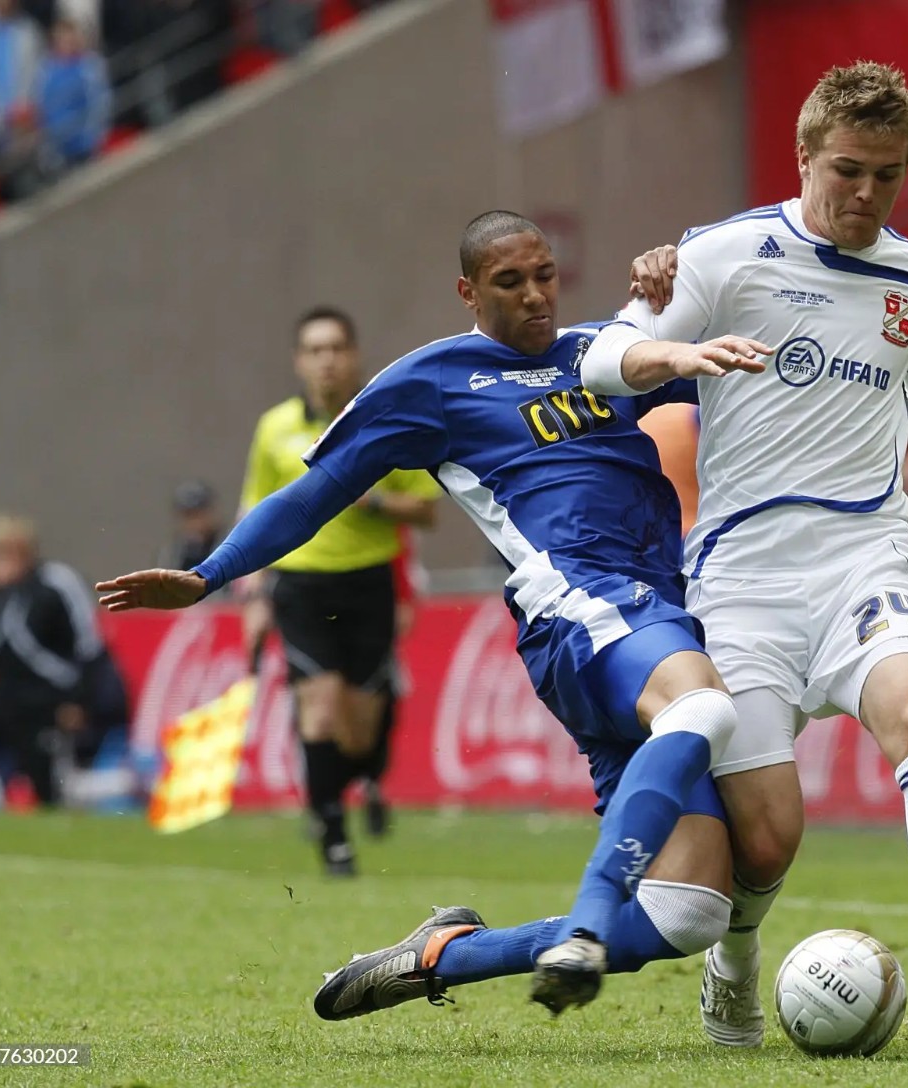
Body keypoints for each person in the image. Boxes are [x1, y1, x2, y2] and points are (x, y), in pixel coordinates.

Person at [97, 210, 767, 1018]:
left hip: (654, 615)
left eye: (545, 276)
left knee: (685, 913)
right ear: (468, 291)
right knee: (700, 704)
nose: (535, 297)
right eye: (509, 283)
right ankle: (586, 922)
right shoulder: (432, 380)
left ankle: (445, 954)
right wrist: (208, 575)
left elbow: (747, 358)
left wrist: (682, 267)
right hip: (578, 608)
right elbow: (317, 492)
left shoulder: (606, 353)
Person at [583, 61, 908, 1044]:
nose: (865, 194)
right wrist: (675, 353)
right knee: (766, 836)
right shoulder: (722, 257)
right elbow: (600, 357)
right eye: (847, 169)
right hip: (742, 579)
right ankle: (733, 966)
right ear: (804, 156)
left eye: (886, 176)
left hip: (864, 557)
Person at [235, 305, 441, 876]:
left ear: (353, 356)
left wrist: (369, 500)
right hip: (300, 584)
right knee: (319, 712)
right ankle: (332, 833)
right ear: (300, 362)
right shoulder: (275, 428)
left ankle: (369, 779)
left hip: (370, 582)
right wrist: (251, 593)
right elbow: (256, 509)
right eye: (315, 350)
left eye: (336, 349)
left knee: (360, 728)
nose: (326, 361)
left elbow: (426, 511)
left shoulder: (384, 420)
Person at [0, 513, 112, 807]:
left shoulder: (55, 581)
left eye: (10, 550)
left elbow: (88, 645)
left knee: (48, 791)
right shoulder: (0, 590)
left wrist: (78, 700)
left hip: (47, 699)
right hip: (6, 696)